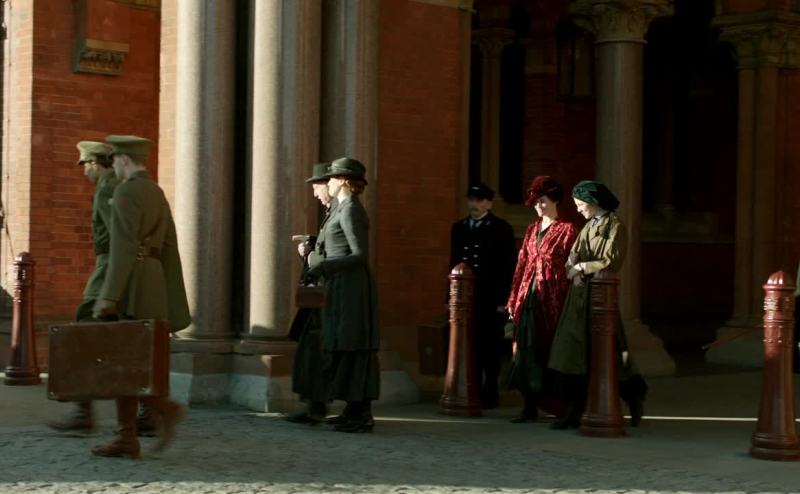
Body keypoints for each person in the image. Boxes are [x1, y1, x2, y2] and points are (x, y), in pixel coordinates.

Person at [92, 135, 191, 458]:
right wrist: (172, 298)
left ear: (123, 159)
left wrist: (109, 296)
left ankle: (157, 413)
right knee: (140, 359)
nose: (113, 167)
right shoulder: (156, 191)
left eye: (114, 160)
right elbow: (170, 246)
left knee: (124, 360)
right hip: (154, 283)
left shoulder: (126, 191)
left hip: (131, 284)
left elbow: (122, 247)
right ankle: (129, 434)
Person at [548, 180, 647, 429]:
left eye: (581, 204)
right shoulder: (587, 226)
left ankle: (633, 396)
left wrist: (582, 267)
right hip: (578, 300)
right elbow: (572, 257)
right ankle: (573, 410)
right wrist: (573, 271)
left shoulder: (615, 227)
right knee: (571, 354)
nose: (578, 209)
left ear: (594, 202)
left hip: (601, 299)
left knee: (612, 354)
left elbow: (611, 260)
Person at [48, 141, 118, 433]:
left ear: (94, 164)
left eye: (85, 166)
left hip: (108, 272)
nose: (85, 173)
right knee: (123, 341)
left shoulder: (106, 189)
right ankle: (151, 411)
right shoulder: (120, 186)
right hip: (117, 271)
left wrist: (110, 286)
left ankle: (82, 413)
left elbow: (119, 238)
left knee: (83, 336)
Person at [307, 157, 379, 433]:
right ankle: (352, 409)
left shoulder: (351, 210)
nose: (329, 182)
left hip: (352, 288)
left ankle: (361, 414)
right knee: (342, 344)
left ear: (345, 181)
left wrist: (325, 265)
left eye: (334, 177)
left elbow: (360, 255)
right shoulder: (341, 209)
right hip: (340, 285)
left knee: (353, 345)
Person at [505, 176, 577, 423]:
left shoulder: (567, 230)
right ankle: (528, 407)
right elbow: (521, 265)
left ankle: (561, 406)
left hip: (553, 299)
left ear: (555, 200)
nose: (538, 206)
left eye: (543, 201)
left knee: (550, 352)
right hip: (528, 297)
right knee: (524, 351)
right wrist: (513, 300)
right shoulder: (531, 230)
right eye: (536, 202)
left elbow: (571, 267)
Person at [449, 183, 517, 409]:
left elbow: (508, 267)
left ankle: (490, 391)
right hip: (466, 297)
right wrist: (449, 297)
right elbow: (452, 263)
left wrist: (504, 300)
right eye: (471, 200)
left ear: (489, 203)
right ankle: (472, 389)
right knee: (469, 343)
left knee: (490, 346)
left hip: (490, 297)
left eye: (479, 201)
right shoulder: (459, 228)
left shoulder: (501, 228)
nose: (474, 205)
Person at [286, 162, 334, 424]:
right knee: (309, 347)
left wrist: (311, 253)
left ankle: (316, 407)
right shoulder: (331, 211)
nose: (315, 193)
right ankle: (313, 404)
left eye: (317, 187)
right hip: (319, 290)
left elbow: (343, 252)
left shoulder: (341, 211)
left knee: (314, 347)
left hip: (326, 292)